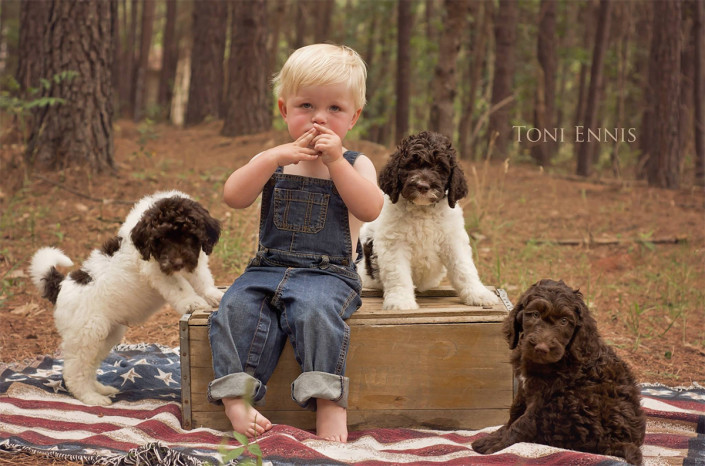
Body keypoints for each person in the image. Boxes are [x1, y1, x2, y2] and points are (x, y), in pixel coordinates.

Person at [208, 43, 384, 443]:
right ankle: (237, 397)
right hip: (267, 268)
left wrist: (336, 163)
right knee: (233, 308)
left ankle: (329, 404)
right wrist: (268, 159)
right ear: (284, 110)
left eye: (335, 109)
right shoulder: (276, 159)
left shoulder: (356, 164)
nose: (319, 118)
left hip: (328, 275)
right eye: (306, 105)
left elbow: (371, 208)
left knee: (316, 313)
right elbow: (233, 196)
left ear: (353, 116)